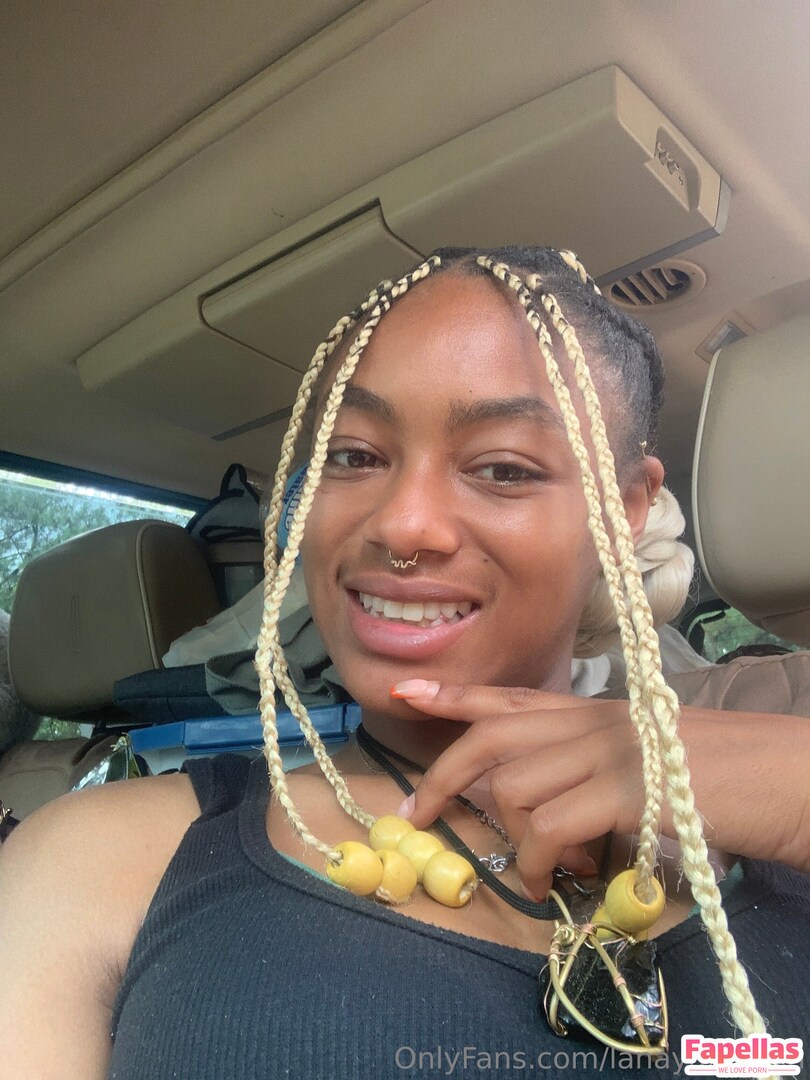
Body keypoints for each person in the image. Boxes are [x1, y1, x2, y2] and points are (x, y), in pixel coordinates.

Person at [1, 247, 808, 1080]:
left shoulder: (777, 821)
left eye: (503, 468)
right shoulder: (96, 859)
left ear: (625, 508)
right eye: (353, 455)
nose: (402, 523)